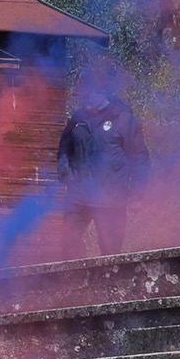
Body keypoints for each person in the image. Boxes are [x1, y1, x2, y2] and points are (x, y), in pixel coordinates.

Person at [58, 67, 151, 259]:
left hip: (111, 197)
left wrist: (136, 197)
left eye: (88, 95)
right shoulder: (76, 120)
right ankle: (77, 280)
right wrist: (65, 171)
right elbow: (64, 150)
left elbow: (140, 160)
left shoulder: (124, 119)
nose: (83, 100)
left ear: (102, 92)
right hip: (79, 195)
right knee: (68, 239)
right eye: (81, 96)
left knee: (110, 252)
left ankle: (107, 286)